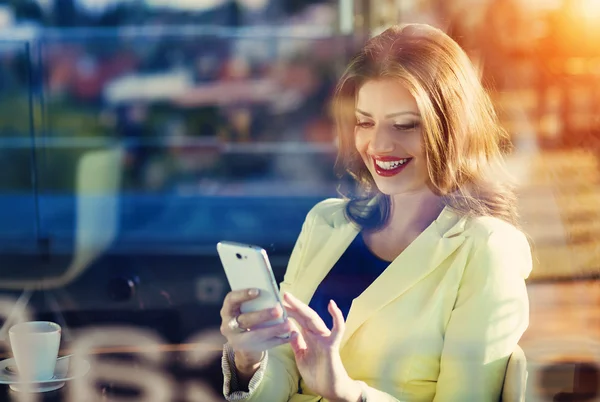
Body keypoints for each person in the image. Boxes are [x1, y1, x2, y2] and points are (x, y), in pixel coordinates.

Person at [218, 23, 532, 402]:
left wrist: (349, 393)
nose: (379, 144)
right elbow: (282, 370)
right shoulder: (326, 222)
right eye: (365, 122)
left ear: (451, 129)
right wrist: (249, 361)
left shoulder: (487, 249)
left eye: (404, 125)